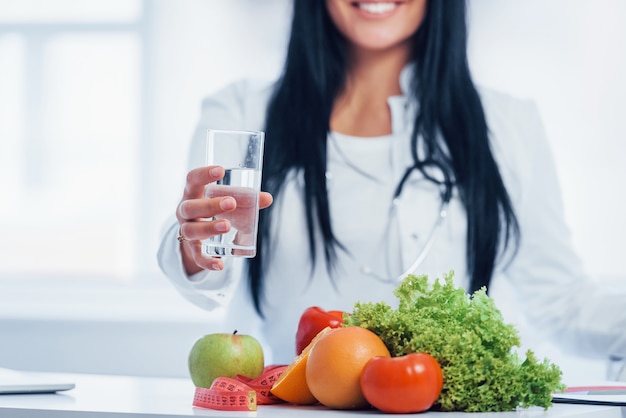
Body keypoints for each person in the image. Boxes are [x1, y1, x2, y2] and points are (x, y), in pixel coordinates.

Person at [158, 0, 626, 371]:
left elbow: (561, 302)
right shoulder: (240, 112)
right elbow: (210, 262)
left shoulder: (507, 124)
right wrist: (195, 247)